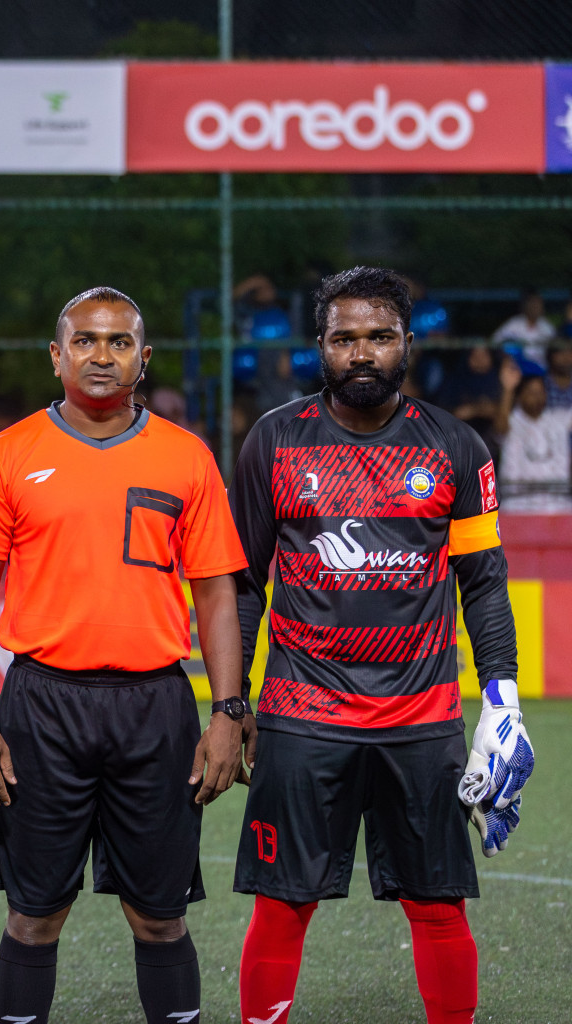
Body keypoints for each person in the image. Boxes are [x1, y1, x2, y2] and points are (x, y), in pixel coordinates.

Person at [232, 267, 529, 1024]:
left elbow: (484, 585)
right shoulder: (273, 440)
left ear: (406, 342)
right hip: (301, 717)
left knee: (438, 907)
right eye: (344, 339)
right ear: (320, 347)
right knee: (281, 905)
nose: (361, 353)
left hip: (422, 721)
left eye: (378, 337)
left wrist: (502, 699)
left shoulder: (457, 447)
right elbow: (243, 586)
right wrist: (232, 704)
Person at [0, 287, 250, 1024]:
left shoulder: (185, 456)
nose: (102, 355)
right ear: (57, 357)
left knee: (161, 917)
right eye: (85, 341)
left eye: (120, 342)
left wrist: (227, 712)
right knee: (34, 914)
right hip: (42, 705)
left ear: (143, 360)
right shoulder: (7, 455)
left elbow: (216, 597)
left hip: (157, 707)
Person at [495, 360, 572, 514]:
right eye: (531, 393)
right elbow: (500, 428)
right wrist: (508, 389)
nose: (537, 398)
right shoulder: (511, 422)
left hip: (556, 503)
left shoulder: (557, 420)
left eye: (540, 392)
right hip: (517, 503)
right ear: (520, 396)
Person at [491, 288, 554, 369]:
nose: (536, 307)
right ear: (525, 306)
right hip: (518, 369)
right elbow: (494, 342)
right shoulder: (514, 323)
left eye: (539, 303)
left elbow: (556, 350)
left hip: (542, 370)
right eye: (533, 303)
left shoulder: (547, 326)